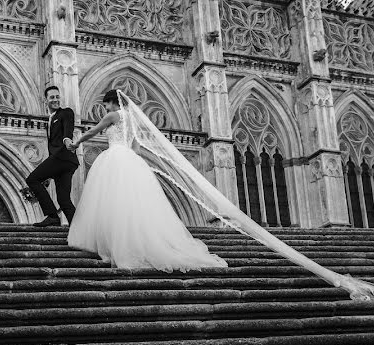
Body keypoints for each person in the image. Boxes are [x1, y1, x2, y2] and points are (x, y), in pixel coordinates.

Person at [65, 89, 227, 271]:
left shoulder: (113, 115)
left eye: (105, 104)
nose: (105, 108)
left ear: (111, 102)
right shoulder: (131, 120)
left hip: (115, 156)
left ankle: (115, 248)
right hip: (129, 157)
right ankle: (126, 246)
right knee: (130, 205)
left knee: (112, 202)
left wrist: (76, 143)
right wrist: (132, 163)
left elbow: (94, 130)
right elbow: (136, 148)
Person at [26, 85, 80, 227]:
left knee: (32, 179)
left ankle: (52, 216)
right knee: (63, 200)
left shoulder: (66, 112)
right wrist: (50, 172)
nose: (55, 99)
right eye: (52, 97)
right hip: (64, 161)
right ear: (46, 101)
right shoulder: (51, 119)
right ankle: (78, 232)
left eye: (57, 96)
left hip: (63, 156)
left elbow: (68, 129)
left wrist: (67, 140)